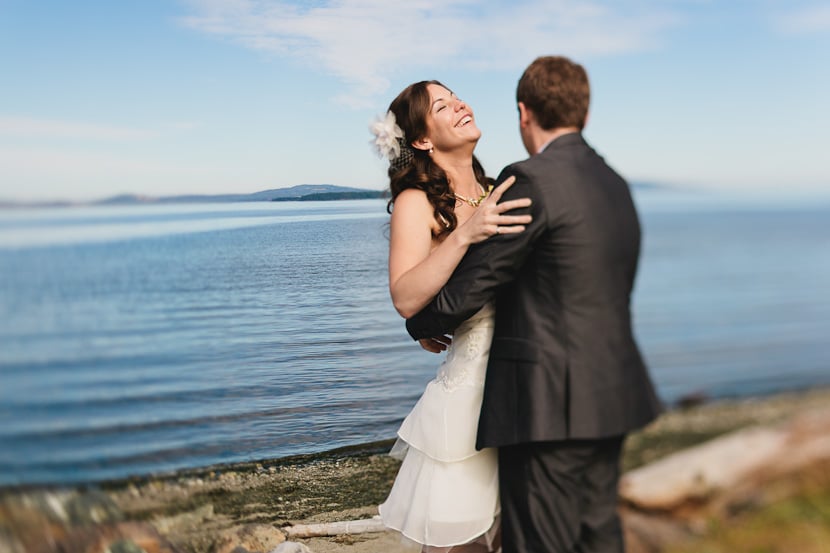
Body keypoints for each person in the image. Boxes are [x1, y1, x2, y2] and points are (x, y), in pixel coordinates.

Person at [406, 56, 663, 553]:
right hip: (613, 394)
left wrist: (419, 323)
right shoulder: (615, 185)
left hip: (549, 406)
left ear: (524, 113)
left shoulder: (531, 180)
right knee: (598, 537)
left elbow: (479, 282)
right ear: (583, 115)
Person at [371, 80, 532, 553]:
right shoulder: (415, 201)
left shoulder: (494, 189)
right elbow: (405, 296)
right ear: (422, 139)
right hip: (469, 399)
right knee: (461, 538)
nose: (460, 104)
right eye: (442, 105)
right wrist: (465, 236)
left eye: (456, 97)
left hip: (521, 384)